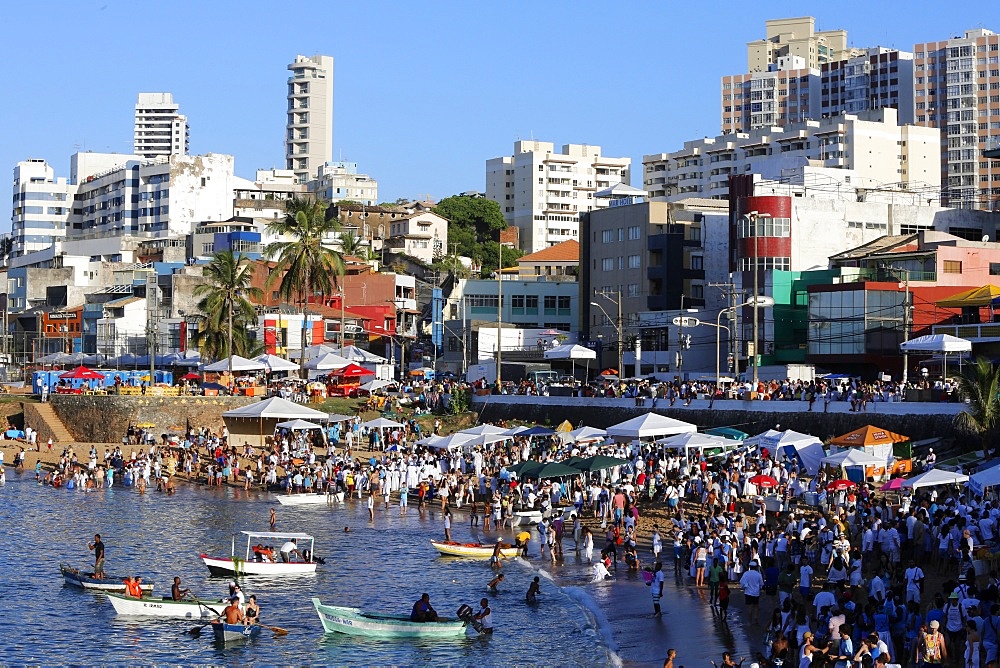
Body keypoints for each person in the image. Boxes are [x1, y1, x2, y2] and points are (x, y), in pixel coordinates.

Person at [739, 559, 765, 626]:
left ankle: (749, 622)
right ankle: (756, 619)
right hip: (756, 593)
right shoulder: (758, 574)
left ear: (750, 566)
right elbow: (761, 584)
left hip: (748, 592)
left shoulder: (746, 573)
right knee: (756, 607)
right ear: (756, 567)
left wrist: (745, 586)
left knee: (749, 608)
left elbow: (741, 582)